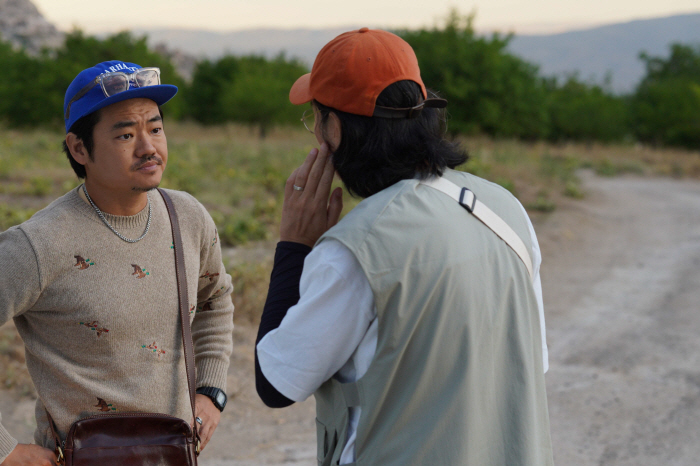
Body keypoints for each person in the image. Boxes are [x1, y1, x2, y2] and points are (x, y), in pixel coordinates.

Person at [255, 28, 554, 465]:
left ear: (334, 127)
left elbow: (275, 383)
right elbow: (528, 362)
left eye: (315, 118)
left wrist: (293, 246)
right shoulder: (507, 210)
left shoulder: (357, 248)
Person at [0, 61, 234, 465]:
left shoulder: (188, 217)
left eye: (155, 128)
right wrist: (6, 452)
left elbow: (215, 299)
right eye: (126, 134)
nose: (148, 147)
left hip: (173, 456)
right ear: (79, 148)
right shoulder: (38, 244)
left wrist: (211, 392)